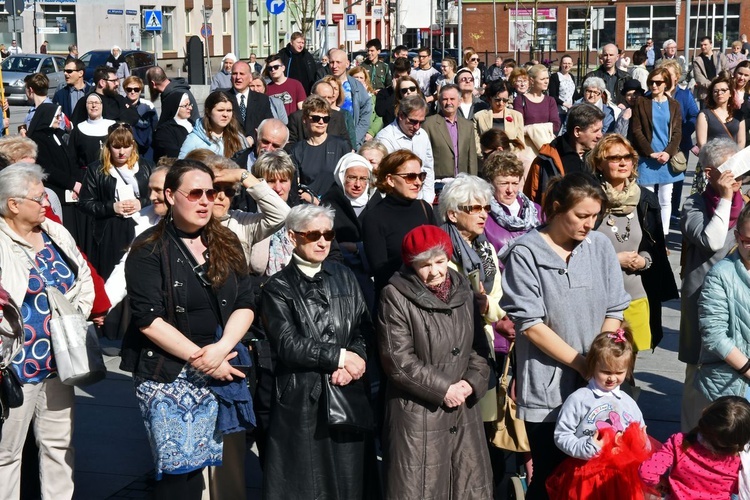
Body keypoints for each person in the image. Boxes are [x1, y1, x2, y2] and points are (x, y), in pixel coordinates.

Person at [120, 160, 255, 499]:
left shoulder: (225, 240)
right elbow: (149, 321)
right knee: (181, 475)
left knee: (217, 465)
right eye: (195, 193)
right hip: (167, 372)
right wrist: (202, 358)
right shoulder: (147, 248)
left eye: (211, 192)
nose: (206, 200)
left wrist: (222, 349)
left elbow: (245, 301)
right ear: (170, 195)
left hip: (220, 363)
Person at [501, 172, 630, 500]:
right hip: (548, 388)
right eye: (581, 216)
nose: (589, 224)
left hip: (598, 388)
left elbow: (615, 308)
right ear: (556, 209)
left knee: (597, 476)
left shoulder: (599, 245)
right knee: (551, 476)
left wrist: (600, 364)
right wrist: (581, 364)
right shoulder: (525, 253)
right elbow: (531, 325)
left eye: (595, 216)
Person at [260, 204, 373, 499]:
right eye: (314, 235)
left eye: (328, 234)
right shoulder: (278, 287)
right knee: (308, 485)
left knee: (351, 481)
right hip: (302, 400)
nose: (323, 241)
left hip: (347, 392)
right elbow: (288, 344)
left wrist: (356, 359)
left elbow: (363, 327)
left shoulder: (345, 275)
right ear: (293, 236)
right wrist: (339, 357)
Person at [0, 163, 94, 500]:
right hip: (16, 367)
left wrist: (74, 318)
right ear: (13, 203)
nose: (47, 205)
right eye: (39, 199)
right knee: (6, 454)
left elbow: (83, 278)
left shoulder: (55, 232)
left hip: (59, 363)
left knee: (59, 445)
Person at [378, 224, 492, 499]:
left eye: (440, 261)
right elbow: (398, 359)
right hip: (418, 415)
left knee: (467, 486)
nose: (435, 272)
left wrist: (471, 383)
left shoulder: (462, 287)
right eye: (425, 265)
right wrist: (444, 389)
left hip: (464, 410)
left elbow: (478, 347)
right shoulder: (394, 295)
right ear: (411, 264)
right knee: (422, 488)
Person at [589, 134, 677, 352]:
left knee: (629, 362)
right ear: (599, 163)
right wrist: (613, 260)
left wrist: (644, 260)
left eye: (627, 157)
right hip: (599, 300)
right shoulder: (589, 199)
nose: (622, 162)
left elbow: (654, 248)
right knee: (601, 361)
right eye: (614, 157)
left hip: (638, 295)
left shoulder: (645, 199)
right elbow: (575, 250)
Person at [680, 138, 744, 432]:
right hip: (702, 298)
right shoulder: (693, 204)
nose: (738, 177)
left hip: (740, 301)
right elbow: (713, 240)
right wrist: (727, 198)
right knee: (698, 377)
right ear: (709, 173)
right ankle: (691, 445)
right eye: (730, 169)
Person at [547, 329, 649, 499]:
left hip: (620, 476)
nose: (612, 378)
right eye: (606, 372)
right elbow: (562, 435)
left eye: (619, 373)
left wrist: (641, 442)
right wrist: (585, 448)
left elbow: (640, 432)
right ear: (593, 366)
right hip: (587, 475)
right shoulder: (580, 399)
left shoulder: (628, 402)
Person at [79, 123, 154, 279]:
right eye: (116, 147)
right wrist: (112, 207)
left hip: (142, 224)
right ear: (108, 147)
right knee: (112, 275)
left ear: (133, 146)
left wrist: (141, 203)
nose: (121, 152)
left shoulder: (147, 166)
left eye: (126, 147)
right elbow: (85, 203)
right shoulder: (96, 169)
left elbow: (159, 196)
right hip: (110, 230)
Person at [639, 396, 750, 498]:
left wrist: (660, 483)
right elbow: (740, 488)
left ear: (705, 413)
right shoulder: (738, 462)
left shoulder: (679, 442)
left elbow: (647, 472)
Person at [361, 149, 437, 298]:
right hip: (397, 302)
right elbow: (380, 270)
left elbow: (438, 252)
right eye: (410, 177)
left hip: (431, 294)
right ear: (390, 179)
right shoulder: (374, 217)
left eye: (421, 176)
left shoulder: (425, 208)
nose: (418, 182)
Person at [696, 203, 750, 407]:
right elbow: (714, 334)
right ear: (737, 237)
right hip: (733, 382)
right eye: (748, 241)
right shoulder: (720, 275)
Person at [631, 67, 683, 236]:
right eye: (651, 82)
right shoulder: (641, 102)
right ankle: (648, 233)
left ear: (666, 84)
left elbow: (677, 132)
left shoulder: (674, 104)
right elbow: (636, 130)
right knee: (647, 198)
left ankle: (663, 235)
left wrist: (668, 153)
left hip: (667, 158)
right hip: (648, 158)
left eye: (658, 82)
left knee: (666, 199)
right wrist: (650, 152)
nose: (654, 85)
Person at [320, 153, 376, 309]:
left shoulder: (377, 203)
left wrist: (357, 247)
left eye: (363, 178)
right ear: (341, 176)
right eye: (352, 177)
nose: (358, 184)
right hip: (340, 274)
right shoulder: (329, 203)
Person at [523, 103, 605, 203]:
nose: (600, 135)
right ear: (577, 131)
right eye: (595, 131)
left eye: (601, 130)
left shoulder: (601, 155)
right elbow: (532, 200)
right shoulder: (548, 160)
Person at [26, 103, 83, 241]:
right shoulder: (37, 139)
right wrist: (72, 184)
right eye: (57, 116)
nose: (59, 119)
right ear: (47, 117)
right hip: (56, 191)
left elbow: (71, 160)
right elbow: (48, 169)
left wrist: (76, 182)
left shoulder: (58, 134)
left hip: (71, 193)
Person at [481, 151, 543, 261]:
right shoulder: (483, 216)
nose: (510, 190)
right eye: (504, 183)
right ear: (490, 184)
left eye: (515, 183)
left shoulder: (537, 211)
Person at [374, 95, 436, 204]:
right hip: (396, 201)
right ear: (401, 115)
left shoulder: (422, 135)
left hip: (420, 199)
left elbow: (428, 168)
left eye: (421, 122)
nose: (417, 127)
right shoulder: (385, 138)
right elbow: (383, 175)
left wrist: (427, 199)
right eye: (413, 121)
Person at [692, 74, 747, 194]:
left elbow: (741, 141)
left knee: (732, 198)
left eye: (723, 90)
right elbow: (702, 143)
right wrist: (713, 165)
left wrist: (735, 160)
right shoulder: (705, 114)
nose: (719, 93)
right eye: (715, 91)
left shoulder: (738, 115)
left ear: (730, 93)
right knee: (707, 200)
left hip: (732, 163)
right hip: (711, 163)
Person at [290, 95, 351, 198]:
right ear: (305, 119)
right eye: (316, 118)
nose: (321, 122)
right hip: (309, 206)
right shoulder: (297, 150)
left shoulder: (341, 146)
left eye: (326, 119)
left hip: (335, 204)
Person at [422, 84, 478, 178]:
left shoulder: (468, 125)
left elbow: (471, 158)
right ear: (439, 102)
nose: (449, 102)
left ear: (459, 102)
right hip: (438, 182)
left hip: (463, 181)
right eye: (445, 99)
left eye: (452, 99)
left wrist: (473, 180)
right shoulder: (428, 124)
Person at [179, 91, 248, 159]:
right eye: (220, 110)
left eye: (229, 110)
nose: (225, 115)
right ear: (208, 112)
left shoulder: (238, 137)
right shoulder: (193, 140)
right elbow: (181, 167)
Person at [329, 49, 373, 149]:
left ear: (347, 63)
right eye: (331, 62)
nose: (334, 66)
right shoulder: (321, 86)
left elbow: (365, 115)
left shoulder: (357, 87)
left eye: (338, 62)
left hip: (353, 142)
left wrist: (354, 140)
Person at [226, 61, 274, 147]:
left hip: (255, 149)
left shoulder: (262, 100)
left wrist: (253, 138)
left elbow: (268, 125)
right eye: (234, 73)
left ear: (250, 78)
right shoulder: (223, 98)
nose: (238, 77)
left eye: (242, 74)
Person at [71, 65, 139, 126]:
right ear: (102, 82)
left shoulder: (119, 98)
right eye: (113, 81)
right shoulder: (86, 101)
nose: (117, 84)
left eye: (117, 80)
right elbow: (76, 127)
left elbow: (134, 117)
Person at [473, 80, 525, 157]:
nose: (501, 103)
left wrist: (509, 157)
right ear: (490, 98)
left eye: (505, 100)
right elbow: (476, 143)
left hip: (510, 160)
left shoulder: (517, 116)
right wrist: (486, 155)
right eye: (497, 100)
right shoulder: (479, 116)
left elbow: (520, 143)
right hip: (486, 160)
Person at [68, 93, 116, 168]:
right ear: (85, 106)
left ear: (102, 105)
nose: (94, 105)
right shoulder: (78, 129)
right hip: (86, 175)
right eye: (90, 103)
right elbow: (72, 157)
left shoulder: (113, 127)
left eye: (97, 102)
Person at [514, 64, 561, 135]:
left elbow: (556, 125)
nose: (546, 82)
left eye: (547, 78)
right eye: (542, 79)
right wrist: (546, 126)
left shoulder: (550, 101)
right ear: (532, 80)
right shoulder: (520, 100)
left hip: (546, 143)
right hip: (528, 144)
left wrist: (531, 128)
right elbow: (519, 126)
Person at [123, 75, 158, 158]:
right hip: (126, 148)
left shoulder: (148, 106)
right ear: (125, 89)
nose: (132, 92)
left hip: (146, 150)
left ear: (140, 90)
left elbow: (155, 127)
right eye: (129, 89)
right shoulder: (120, 105)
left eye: (136, 89)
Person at [152, 92, 193, 161]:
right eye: (185, 105)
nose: (190, 108)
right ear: (175, 107)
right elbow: (172, 154)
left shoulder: (194, 124)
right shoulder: (164, 131)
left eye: (189, 104)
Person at [264, 52, 307, 117]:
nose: (273, 70)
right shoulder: (267, 88)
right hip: (276, 125)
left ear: (283, 68)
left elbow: (302, 108)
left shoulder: (296, 84)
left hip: (293, 124)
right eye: (270, 68)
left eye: (276, 67)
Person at [374, 57, 412, 127]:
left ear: (408, 75)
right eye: (397, 76)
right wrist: (395, 92)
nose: (400, 80)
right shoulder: (384, 93)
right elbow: (380, 112)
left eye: (403, 77)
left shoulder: (414, 91)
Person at [693, 36, 728, 104]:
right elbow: (699, 78)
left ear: (711, 45)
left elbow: (726, 71)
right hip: (705, 94)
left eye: (705, 45)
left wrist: (719, 86)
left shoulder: (720, 56)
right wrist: (713, 86)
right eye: (701, 45)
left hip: (721, 94)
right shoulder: (697, 60)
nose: (703, 47)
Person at [548, 55, 576, 123]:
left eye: (569, 63)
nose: (567, 65)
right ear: (561, 64)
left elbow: (574, 94)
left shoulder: (571, 77)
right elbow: (552, 95)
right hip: (558, 111)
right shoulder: (555, 77)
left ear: (572, 64)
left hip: (570, 111)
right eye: (564, 63)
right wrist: (564, 104)